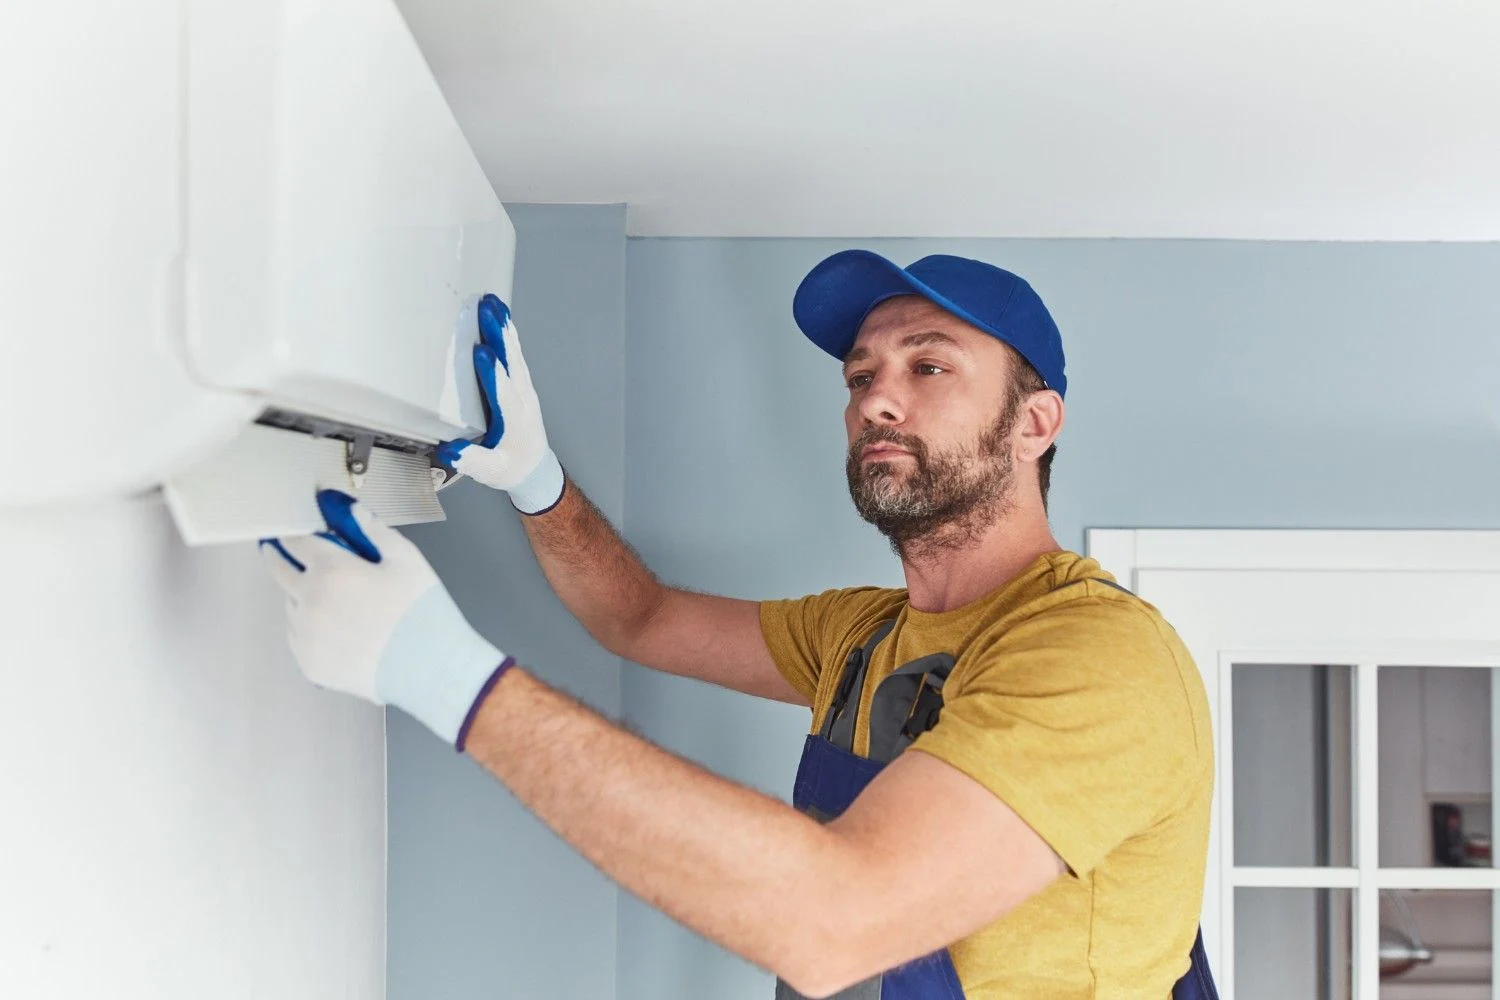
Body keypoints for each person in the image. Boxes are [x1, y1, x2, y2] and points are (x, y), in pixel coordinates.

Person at [261, 251, 1217, 1000]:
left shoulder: (1100, 658)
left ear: (1035, 422)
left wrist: (445, 678)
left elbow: (841, 918)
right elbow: (643, 617)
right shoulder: (863, 634)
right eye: (860, 374)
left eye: (929, 365)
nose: (875, 399)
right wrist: (535, 481)